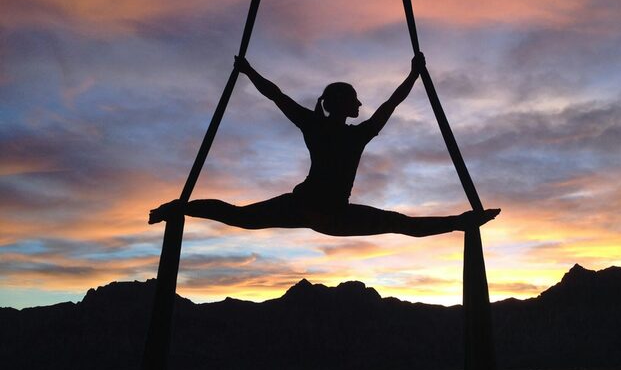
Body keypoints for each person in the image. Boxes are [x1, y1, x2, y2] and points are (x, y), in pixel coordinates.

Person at [150, 54, 499, 236]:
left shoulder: (318, 125)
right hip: (326, 212)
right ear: (342, 104)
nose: (361, 105)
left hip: (312, 208)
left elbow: (277, 96)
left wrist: (247, 70)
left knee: (238, 216)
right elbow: (391, 103)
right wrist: (414, 75)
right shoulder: (353, 133)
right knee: (400, 223)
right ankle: (462, 222)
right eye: (356, 100)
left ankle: (179, 208)